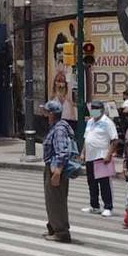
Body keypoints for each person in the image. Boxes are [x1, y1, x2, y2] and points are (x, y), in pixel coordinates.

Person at [42, 100, 77, 243]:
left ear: (51, 114)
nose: (44, 114)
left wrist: (57, 172)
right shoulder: (56, 127)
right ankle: (53, 227)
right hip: (52, 167)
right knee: (51, 200)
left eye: (46, 112)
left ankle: (61, 232)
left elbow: (62, 152)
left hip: (56, 169)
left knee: (56, 201)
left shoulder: (59, 129)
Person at [82, 100, 118, 217]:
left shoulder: (107, 122)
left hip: (102, 156)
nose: (93, 110)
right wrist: (83, 153)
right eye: (92, 108)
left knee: (104, 184)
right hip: (90, 156)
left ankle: (108, 206)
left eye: (96, 108)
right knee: (91, 183)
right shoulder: (90, 122)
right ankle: (95, 206)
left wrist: (109, 155)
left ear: (102, 110)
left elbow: (114, 140)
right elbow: (86, 138)